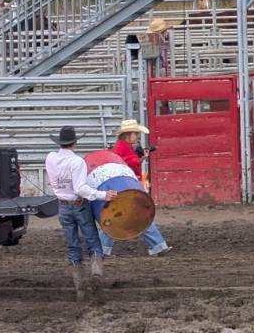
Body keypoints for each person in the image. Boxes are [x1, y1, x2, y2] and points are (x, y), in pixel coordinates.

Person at [45, 126, 121, 300]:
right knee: (93, 240)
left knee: (73, 245)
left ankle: (79, 288)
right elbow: (80, 189)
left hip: (62, 206)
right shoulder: (77, 162)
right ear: (75, 142)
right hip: (79, 204)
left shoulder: (50, 158)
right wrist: (103, 195)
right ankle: (96, 276)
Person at [99, 119, 172, 258]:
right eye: (135, 134)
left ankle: (102, 249)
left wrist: (140, 158)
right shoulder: (122, 148)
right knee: (139, 215)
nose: (137, 136)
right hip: (126, 186)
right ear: (128, 135)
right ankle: (158, 246)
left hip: (123, 186)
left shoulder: (123, 147)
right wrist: (141, 158)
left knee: (125, 216)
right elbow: (127, 165)